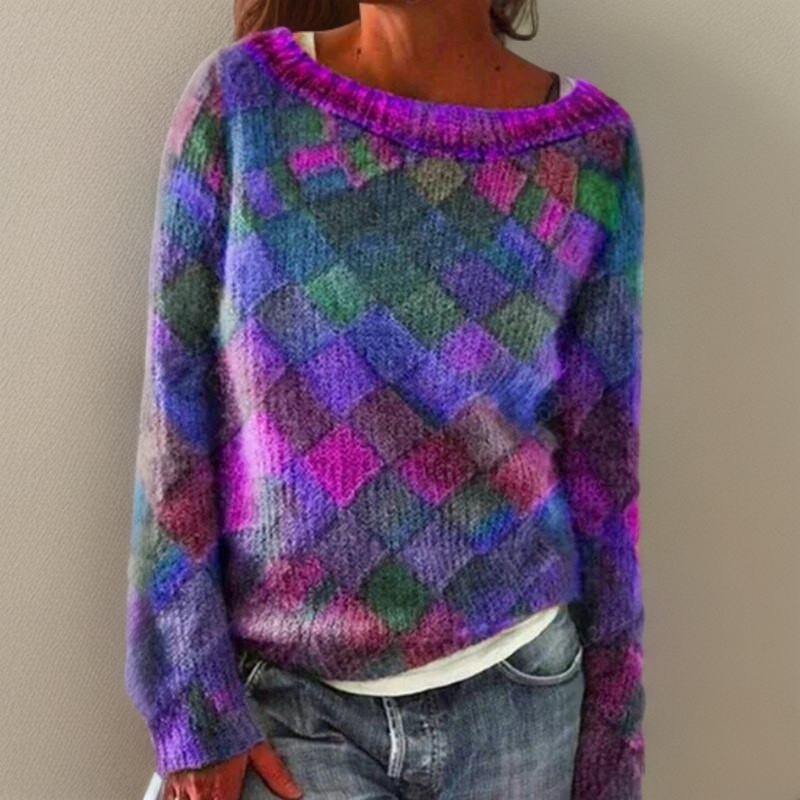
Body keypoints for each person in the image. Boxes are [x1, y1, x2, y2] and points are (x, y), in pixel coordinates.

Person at [125, 1, 646, 798]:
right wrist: (192, 706)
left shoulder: (590, 153)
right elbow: (174, 418)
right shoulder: (242, 104)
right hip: (289, 714)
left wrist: (614, 750)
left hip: (522, 705)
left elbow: (605, 470)